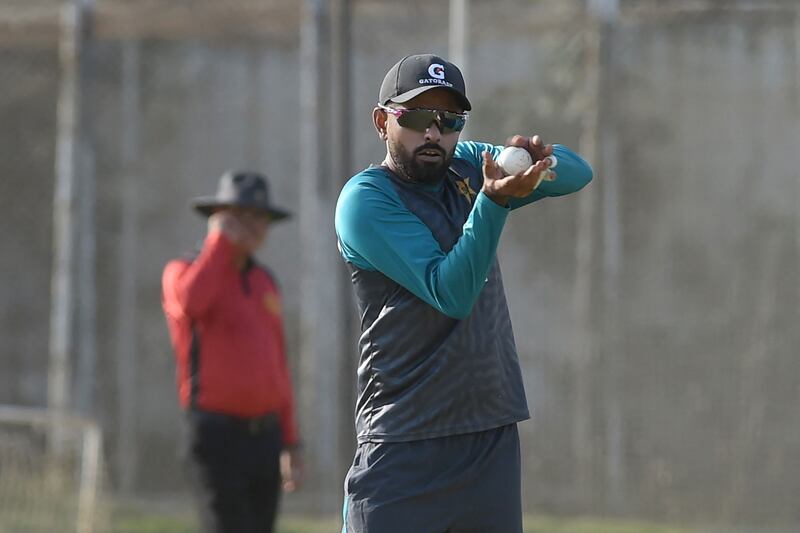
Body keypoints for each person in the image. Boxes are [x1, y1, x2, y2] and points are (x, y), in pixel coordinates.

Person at [334, 54, 593, 532]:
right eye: (415, 118)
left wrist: (541, 161)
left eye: (449, 120)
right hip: (403, 447)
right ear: (381, 122)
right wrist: (494, 202)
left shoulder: (470, 165)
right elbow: (449, 291)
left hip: (488, 440)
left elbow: (579, 173)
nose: (433, 134)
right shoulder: (366, 199)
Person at [161, 171, 303, 533]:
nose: (254, 226)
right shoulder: (184, 271)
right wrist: (218, 244)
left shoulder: (265, 281)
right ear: (220, 217)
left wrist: (290, 440)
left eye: (261, 217)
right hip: (216, 436)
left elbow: (278, 366)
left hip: (265, 439)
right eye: (242, 215)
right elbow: (191, 304)